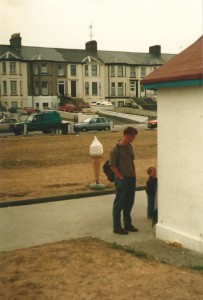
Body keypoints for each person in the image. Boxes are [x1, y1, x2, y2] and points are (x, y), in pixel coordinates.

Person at [109, 126, 138, 235]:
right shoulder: (115, 149)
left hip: (131, 179)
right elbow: (112, 165)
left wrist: (134, 174)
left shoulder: (129, 146)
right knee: (119, 203)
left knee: (129, 202)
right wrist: (120, 177)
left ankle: (127, 224)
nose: (133, 139)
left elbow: (131, 161)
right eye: (133, 136)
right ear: (127, 135)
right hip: (122, 180)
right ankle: (117, 227)